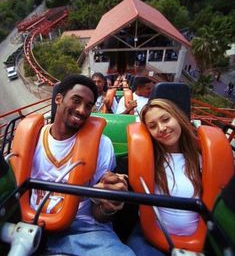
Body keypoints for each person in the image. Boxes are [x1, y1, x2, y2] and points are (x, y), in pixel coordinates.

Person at [30, 74, 135, 256]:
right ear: (59, 99)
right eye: (76, 100)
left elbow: (98, 215)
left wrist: (109, 204)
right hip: (31, 224)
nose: (82, 110)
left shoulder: (102, 145)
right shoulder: (31, 138)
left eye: (88, 106)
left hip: (83, 229)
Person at [127, 98, 202, 255]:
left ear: (178, 117)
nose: (161, 128)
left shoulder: (203, 158)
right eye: (153, 126)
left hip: (199, 241)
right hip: (150, 239)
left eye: (166, 119)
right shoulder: (148, 160)